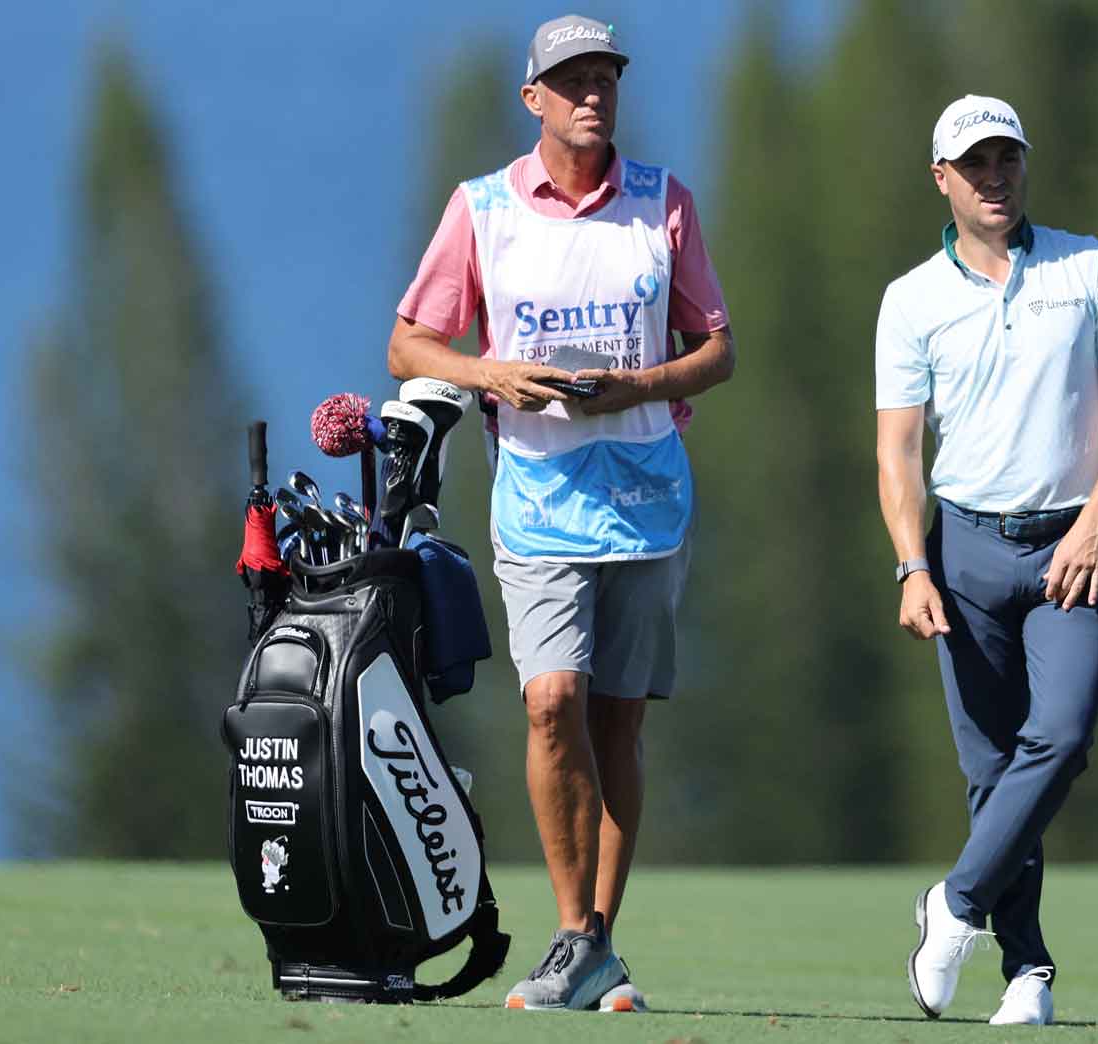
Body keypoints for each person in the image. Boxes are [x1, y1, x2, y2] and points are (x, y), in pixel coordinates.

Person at [387, 13, 734, 1014]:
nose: (592, 93)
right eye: (570, 79)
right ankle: (572, 931)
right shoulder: (483, 209)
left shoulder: (660, 204)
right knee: (551, 704)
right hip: (537, 498)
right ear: (531, 96)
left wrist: (639, 386)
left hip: (644, 494)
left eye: (605, 77)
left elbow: (716, 350)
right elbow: (410, 344)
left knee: (619, 719)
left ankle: (593, 946)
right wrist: (489, 373)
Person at [875, 94, 1098, 1026]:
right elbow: (899, 452)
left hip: (1071, 548)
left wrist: (1094, 524)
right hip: (963, 553)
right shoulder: (912, 299)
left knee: (1063, 739)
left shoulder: (1090, 265)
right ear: (942, 179)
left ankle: (951, 906)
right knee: (993, 771)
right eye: (976, 164)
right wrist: (912, 566)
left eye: (1008, 161)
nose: (995, 178)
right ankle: (1027, 971)